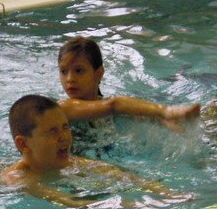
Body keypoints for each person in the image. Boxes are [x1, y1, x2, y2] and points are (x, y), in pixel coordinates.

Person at [1, 94, 185, 208]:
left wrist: (167, 194)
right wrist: (138, 205)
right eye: (52, 131)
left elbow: (119, 175)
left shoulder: (71, 162)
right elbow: (71, 203)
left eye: (65, 127)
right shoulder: (18, 178)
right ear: (23, 144)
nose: (64, 137)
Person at [57, 36, 200, 157]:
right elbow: (116, 105)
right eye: (63, 71)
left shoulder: (105, 107)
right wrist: (166, 111)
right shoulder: (63, 109)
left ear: (98, 74)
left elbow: (137, 114)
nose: (70, 79)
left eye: (79, 71)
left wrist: (164, 122)